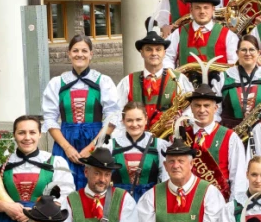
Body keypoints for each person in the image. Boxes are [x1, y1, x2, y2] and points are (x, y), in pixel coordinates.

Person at [42, 34, 122, 189]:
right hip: (65, 140)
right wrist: (67, 148)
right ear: (69, 53)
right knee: (63, 185)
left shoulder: (103, 81)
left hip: (96, 139)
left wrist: (92, 147)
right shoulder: (57, 83)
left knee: (95, 185)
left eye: (84, 51)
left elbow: (112, 119)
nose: (80, 54)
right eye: (75, 50)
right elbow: (50, 119)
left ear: (91, 54)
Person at [116, 30, 193, 130]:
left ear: (164, 53)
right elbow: (116, 112)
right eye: (148, 49)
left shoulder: (180, 79)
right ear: (142, 53)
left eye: (158, 49)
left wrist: (180, 120)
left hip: (170, 137)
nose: (154, 53)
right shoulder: (127, 81)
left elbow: (192, 108)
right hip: (136, 137)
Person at [184, 83, 248, 200]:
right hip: (188, 200)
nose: (202, 110)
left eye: (206, 106)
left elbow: (238, 177)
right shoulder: (182, 135)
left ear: (215, 109)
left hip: (219, 200)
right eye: (197, 105)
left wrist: (233, 205)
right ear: (191, 108)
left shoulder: (230, 137)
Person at [163, 0, 238, 72]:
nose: (202, 11)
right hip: (186, 80)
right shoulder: (178, 34)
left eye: (206, 7)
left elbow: (234, 64)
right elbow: (167, 57)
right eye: (197, 8)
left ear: (213, 10)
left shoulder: (229, 36)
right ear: (191, 10)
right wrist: (173, 74)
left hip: (218, 81)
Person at [213, 33, 261, 129]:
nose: (248, 53)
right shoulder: (223, 78)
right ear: (237, 53)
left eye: (251, 49)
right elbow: (215, 111)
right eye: (243, 50)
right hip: (231, 132)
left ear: (259, 52)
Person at [109, 102, 169, 201]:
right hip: (119, 201)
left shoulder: (159, 145)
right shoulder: (111, 146)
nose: (134, 124)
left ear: (146, 119)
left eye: (138, 120)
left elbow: (165, 178)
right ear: (123, 121)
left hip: (150, 201)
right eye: (129, 120)